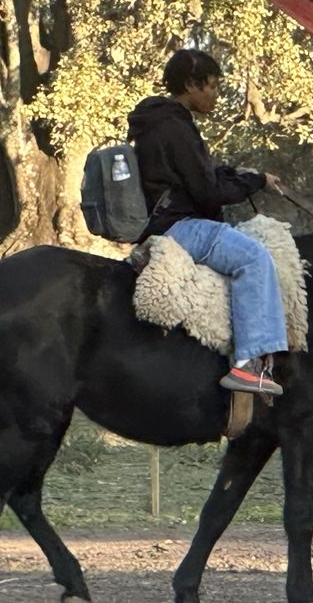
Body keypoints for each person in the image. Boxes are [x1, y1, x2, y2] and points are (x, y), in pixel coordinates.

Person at [127, 49, 286, 396]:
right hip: (182, 226)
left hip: (165, 222)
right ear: (190, 85)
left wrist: (247, 176)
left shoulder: (158, 123)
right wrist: (253, 183)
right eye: (211, 86)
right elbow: (209, 193)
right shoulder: (175, 127)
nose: (215, 94)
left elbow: (196, 177)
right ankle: (249, 365)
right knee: (254, 258)